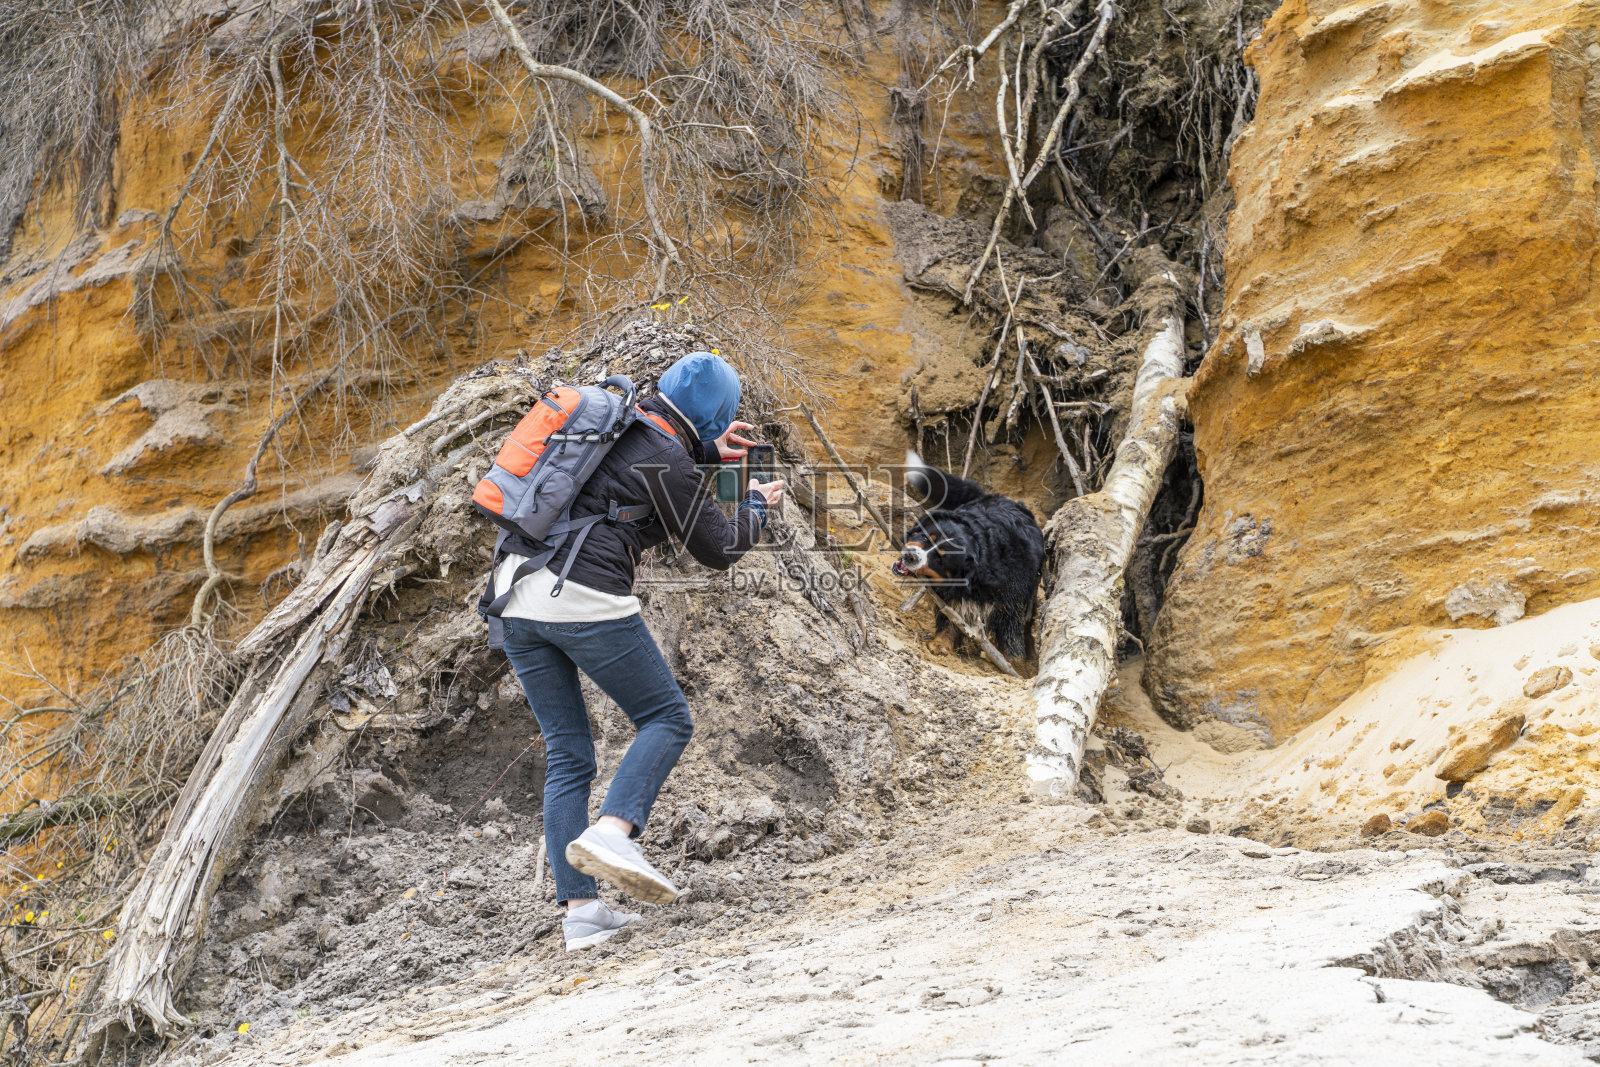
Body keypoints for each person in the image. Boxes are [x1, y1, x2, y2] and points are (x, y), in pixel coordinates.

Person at [494, 351, 786, 951]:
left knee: (569, 754)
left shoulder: (618, 423)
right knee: (667, 718)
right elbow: (719, 548)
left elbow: (640, 475)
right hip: (578, 594)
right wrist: (756, 505)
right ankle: (614, 830)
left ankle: (582, 915)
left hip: (515, 595)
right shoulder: (670, 456)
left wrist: (707, 451)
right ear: (717, 415)